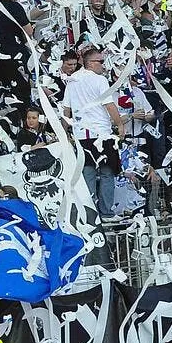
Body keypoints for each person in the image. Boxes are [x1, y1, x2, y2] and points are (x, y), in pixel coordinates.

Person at [65, 48, 125, 222]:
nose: (104, 66)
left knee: (88, 174)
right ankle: (106, 212)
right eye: (100, 62)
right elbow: (109, 105)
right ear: (90, 63)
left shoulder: (72, 80)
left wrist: (65, 130)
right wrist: (120, 124)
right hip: (101, 134)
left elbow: (66, 109)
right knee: (107, 173)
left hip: (81, 135)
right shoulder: (99, 80)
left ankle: (90, 216)